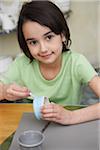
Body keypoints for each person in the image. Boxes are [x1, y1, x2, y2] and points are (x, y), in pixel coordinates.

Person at [0, 1, 100, 125]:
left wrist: (71, 117)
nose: (43, 49)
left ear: (62, 35)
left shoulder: (76, 62)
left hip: (68, 127)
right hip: (30, 126)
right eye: (33, 42)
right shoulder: (22, 64)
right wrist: (4, 91)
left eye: (49, 37)